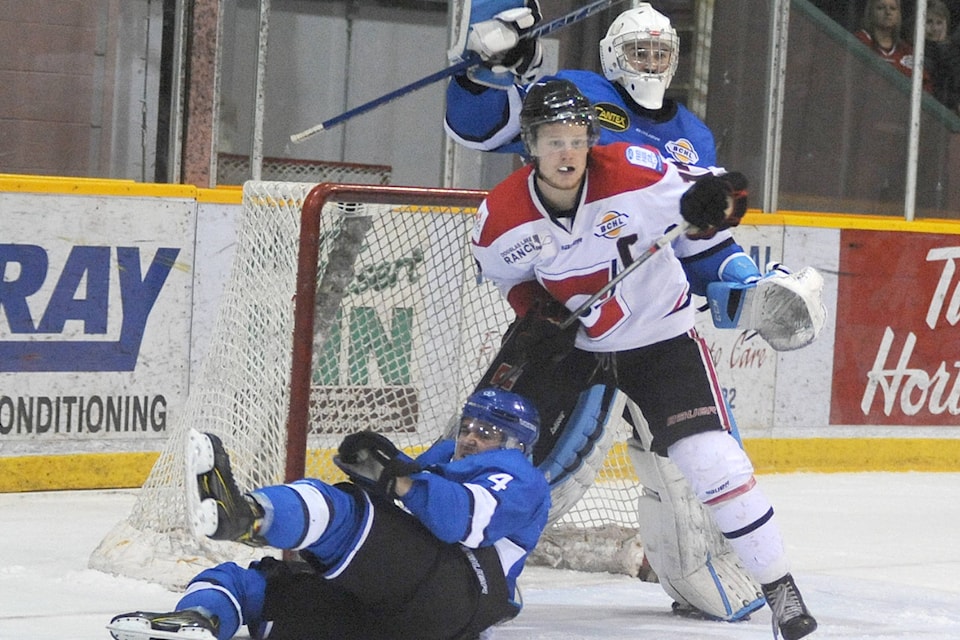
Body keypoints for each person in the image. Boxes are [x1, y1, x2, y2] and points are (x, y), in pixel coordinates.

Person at [470, 78, 818, 640]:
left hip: (661, 339)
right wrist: (536, 312)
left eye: (576, 137)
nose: (567, 151)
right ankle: (478, 585)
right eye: (552, 140)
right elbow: (510, 280)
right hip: (573, 347)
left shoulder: (637, 170)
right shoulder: (501, 217)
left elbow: (726, 197)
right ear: (529, 146)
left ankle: (781, 590)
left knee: (714, 463)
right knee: (503, 460)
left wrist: (715, 205)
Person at [107, 387, 551, 640]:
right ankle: (200, 620)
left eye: (488, 431)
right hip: (404, 615)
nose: (471, 438)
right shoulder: (440, 462)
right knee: (261, 587)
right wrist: (388, 474)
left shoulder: (519, 476)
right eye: (467, 427)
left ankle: (246, 516)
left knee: (345, 512)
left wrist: (396, 480)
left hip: (462, 591)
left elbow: (461, 520)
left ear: (517, 444)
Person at [445, 2, 716, 167]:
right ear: (613, 54)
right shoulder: (575, 91)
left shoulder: (696, 137)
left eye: (661, 54)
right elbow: (479, 128)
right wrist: (487, 74)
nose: (650, 63)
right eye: (639, 52)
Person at [854, 0, 933, 92]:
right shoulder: (858, 42)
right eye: (881, 8)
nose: (888, 12)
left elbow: (925, 90)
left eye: (893, 8)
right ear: (870, 13)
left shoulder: (907, 50)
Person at [925, 0, 960, 113]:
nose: (934, 28)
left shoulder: (955, 54)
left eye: (939, 23)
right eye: (929, 22)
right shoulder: (912, 49)